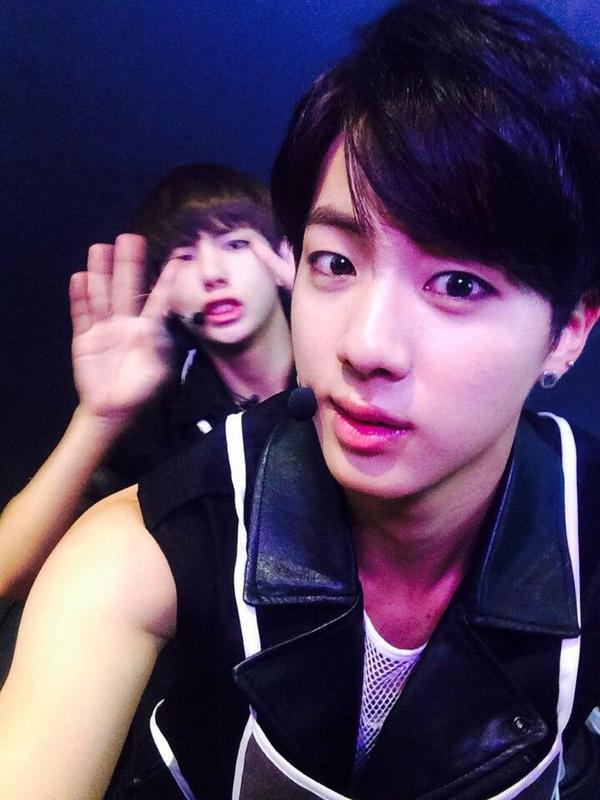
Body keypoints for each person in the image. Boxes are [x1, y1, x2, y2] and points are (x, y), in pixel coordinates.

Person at [2, 1, 600, 798]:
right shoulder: (162, 533)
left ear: (567, 332)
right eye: (336, 263)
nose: (368, 346)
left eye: (458, 284)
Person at [0, 162, 294, 600]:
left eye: (235, 243)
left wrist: (327, 311)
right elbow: (8, 572)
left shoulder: (349, 367)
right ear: (162, 290)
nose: (211, 272)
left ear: (282, 255)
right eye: (183, 257)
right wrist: (99, 417)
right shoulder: (159, 422)